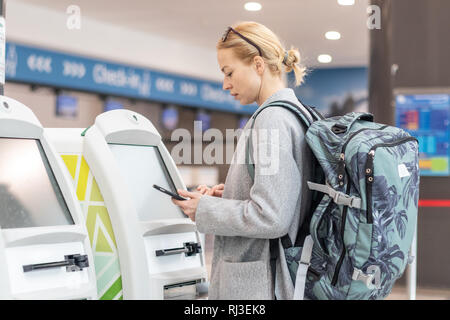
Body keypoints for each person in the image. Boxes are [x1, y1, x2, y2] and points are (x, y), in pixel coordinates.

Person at [172, 21, 314, 300]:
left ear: (258, 64)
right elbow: (286, 195)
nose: (225, 84)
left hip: (261, 286)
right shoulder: (298, 114)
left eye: (229, 72)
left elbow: (272, 217)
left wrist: (206, 211)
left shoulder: (272, 120)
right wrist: (229, 196)